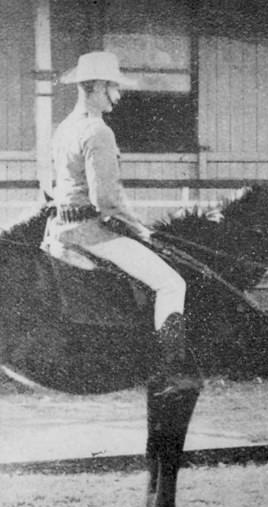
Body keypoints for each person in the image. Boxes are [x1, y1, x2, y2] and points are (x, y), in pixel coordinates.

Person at [42, 51, 194, 395]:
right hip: (92, 233)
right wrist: (141, 229)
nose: (119, 95)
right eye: (114, 87)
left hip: (59, 229)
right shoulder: (99, 131)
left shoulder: (64, 128)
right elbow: (106, 201)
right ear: (96, 87)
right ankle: (174, 374)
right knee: (172, 284)